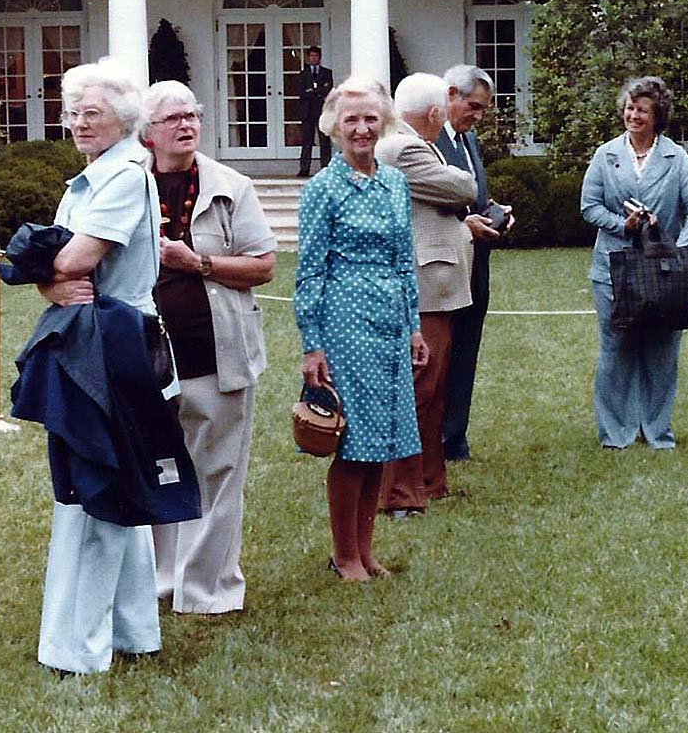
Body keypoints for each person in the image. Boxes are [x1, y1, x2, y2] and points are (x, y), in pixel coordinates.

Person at [30, 57, 190, 673]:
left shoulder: (121, 177)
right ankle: (130, 630)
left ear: (123, 120)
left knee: (98, 487)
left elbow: (73, 260)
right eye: (72, 113)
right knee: (108, 483)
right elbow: (58, 269)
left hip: (118, 347)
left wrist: (41, 273)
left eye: (90, 113)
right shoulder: (95, 177)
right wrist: (47, 282)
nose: (77, 123)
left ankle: (79, 648)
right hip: (99, 341)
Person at [143, 80, 277, 614]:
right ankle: (162, 582)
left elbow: (263, 266)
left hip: (216, 355)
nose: (186, 125)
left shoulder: (230, 186)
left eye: (192, 115)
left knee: (218, 473)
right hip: (146, 360)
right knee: (159, 468)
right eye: (173, 118)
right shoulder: (128, 186)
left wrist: (196, 263)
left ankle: (206, 591)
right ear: (148, 133)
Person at [293, 76, 429, 582]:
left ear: (384, 122)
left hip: (391, 324)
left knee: (381, 445)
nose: (362, 129)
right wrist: (312, 345)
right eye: (351, 119)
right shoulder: (322, 189)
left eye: (371, 118)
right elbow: (309, 271)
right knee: (352, 445)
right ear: (334, 125)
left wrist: (414, 327)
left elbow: (404, 260)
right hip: (345, 324)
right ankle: (344, 554)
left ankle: (366, 552)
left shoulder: (394, 182)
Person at [580, 76, 688, 451]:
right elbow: (589, 207)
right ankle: (615, 432)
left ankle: (656, 430)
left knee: (661, 351)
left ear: (657, 116)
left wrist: (679, 251)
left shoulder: (676, 157)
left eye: (642, 110)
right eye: (629, 108)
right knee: (615, 348)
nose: (633, 115)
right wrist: (621, 225)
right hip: (612, 270)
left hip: (663, 271)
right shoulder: (605, 154)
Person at [376, 73, 477, 517]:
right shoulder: (404, 148)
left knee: (434, 393)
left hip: (436, 287)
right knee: (417, 390)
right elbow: (465, 187)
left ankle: (430, 482)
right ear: (435, 112)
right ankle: (398, 493)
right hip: (423, 290)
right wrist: (459, 186)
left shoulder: (408, 145)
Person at [434, 64, 513, 462]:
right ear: (451, 94)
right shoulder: (427, 142)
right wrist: (464, 225)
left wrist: (493, 212)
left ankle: (454, 437)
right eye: (474, 106)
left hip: (475, 265)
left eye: (483, 108)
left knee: (466, 352)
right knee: (440, 355)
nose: (479, 115)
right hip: (444, 269)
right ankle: (434, 438)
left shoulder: (468, 140)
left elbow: (472, 197)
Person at [297, 46, 334, 176]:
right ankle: (304, 168)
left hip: (322, 110)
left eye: (316, 56)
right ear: (308, 58)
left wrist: (313, 90)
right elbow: (301, 92)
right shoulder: (303, 74)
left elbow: (328, 89)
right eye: (311, 56)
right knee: (307, 141)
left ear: (320, 57)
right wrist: (317, 91)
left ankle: (326, 167)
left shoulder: (326, 73)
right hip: (307, 112)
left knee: (324, 140)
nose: (314, 58)